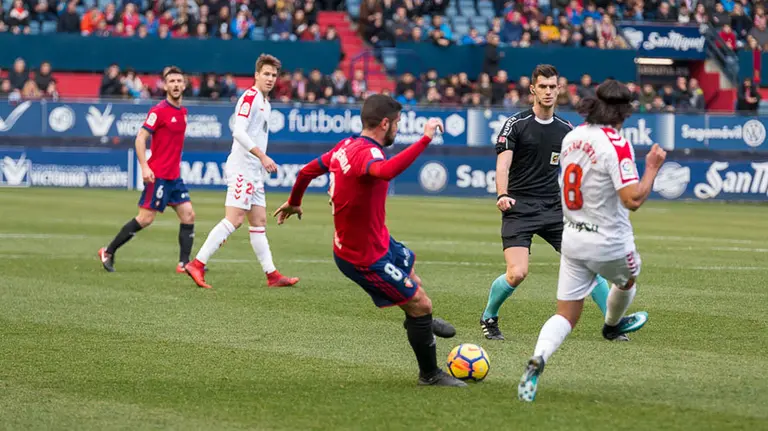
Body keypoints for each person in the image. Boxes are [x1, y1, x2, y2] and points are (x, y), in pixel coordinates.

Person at [272, 94, 465, 387]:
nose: (398, 129)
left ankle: (418, 323)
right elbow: (386, 171)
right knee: (421, 303)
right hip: (362, 257)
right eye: (397, 124)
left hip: (379, 241)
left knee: (414, 279)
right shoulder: (369, 154)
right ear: (385, 123)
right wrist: (424, 139)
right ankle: (430, 374)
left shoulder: (346, 145)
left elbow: (306, 171)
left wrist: (294, 201)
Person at [518, 80, 664, 402]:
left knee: (565, 315)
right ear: (624, 112)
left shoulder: (573, 136)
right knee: (628, 281)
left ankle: (537, 359)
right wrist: (652, 169)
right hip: (609, 242)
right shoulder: (617, 144)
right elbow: (632, 200)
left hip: (572, 238)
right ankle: (612, 325)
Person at [480, 64, 647, 341]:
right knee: (517, 273)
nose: (547, 92)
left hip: (556, 210)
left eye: (552, 87)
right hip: (519, 208)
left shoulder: (567, 130)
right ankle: (489, 316)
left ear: (559, 90)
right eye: (542, 86)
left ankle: (613, 324)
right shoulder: (516, 124)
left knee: (590, 265)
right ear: (533, 89)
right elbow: (503, 165)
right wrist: (502, 194)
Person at [185, 54, 298, 289]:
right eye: (265, 74)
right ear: (256, 75)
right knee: (234, 219)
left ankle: (272, 275)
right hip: (242, 167)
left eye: (273, 75)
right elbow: (238, 131)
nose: (270, 78)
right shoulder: (250, 97)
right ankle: (197, 263)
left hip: (254, 171)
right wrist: (262, 155)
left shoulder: (266, 103)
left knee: (258, 222)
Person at [98, 66, 195, 273]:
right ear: (166, 86)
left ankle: (184, 264)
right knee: (145, 219)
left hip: (174, 177)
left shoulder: (183, 112)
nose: (176, 85)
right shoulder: (158, 111)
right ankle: (108, 251)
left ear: (184, 85)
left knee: (188, 215)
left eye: (179, 81)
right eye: (172, 81)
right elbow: (140, 138)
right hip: (158, 175)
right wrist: (145, 166)